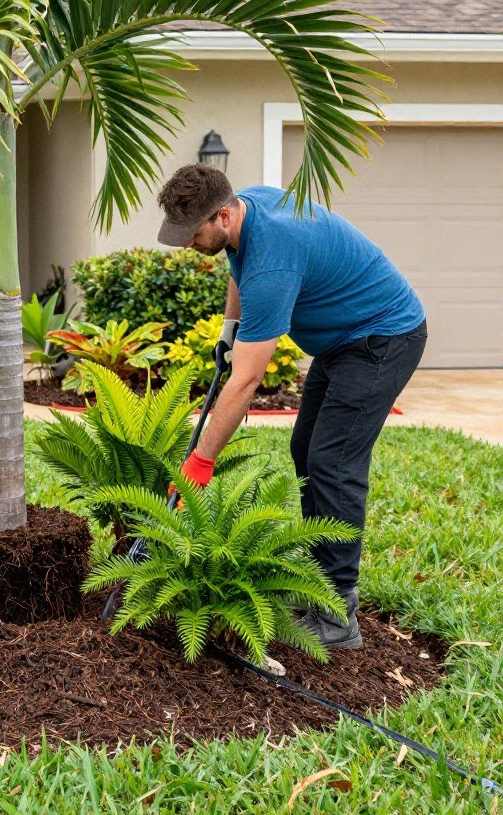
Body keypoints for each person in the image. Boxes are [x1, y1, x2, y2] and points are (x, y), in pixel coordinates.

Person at [156, 164, 426, 649]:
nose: (187, 244)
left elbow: (247, 382)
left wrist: (201, 461)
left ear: (221, 215)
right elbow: (239, 265)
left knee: (334, 463)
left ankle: (338, 614)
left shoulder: (274, 259)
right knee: (307, 451)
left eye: (192, 234)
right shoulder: (247, 206)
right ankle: (317, 585)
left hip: (383, 337)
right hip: (345, 341)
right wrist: (229, 329)